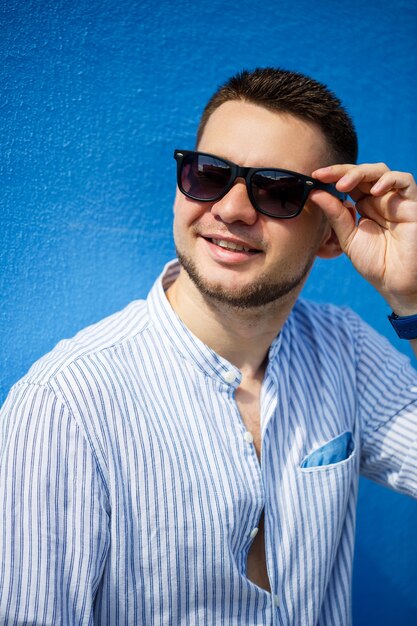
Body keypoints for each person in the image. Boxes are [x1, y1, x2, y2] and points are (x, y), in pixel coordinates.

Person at [1, 67, 416, 626]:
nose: (231, 209)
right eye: (209, 174)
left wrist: (414, 299)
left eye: (276, 188)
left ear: (330, 233)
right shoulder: (65, 406)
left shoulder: (346, 353)